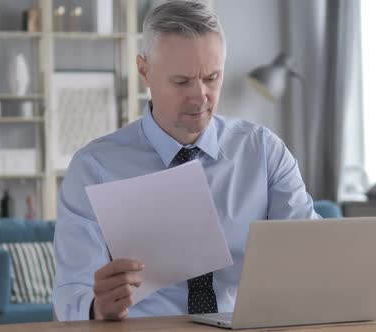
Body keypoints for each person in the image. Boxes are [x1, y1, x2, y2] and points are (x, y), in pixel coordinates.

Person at [53, 0, 319, 322]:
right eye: (181, 82)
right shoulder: (93, 167)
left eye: (212, 77)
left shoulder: (263, 152)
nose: (200, 96)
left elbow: (311, 254)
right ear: (144, 71)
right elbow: (71, 295)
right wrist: (97, 307)